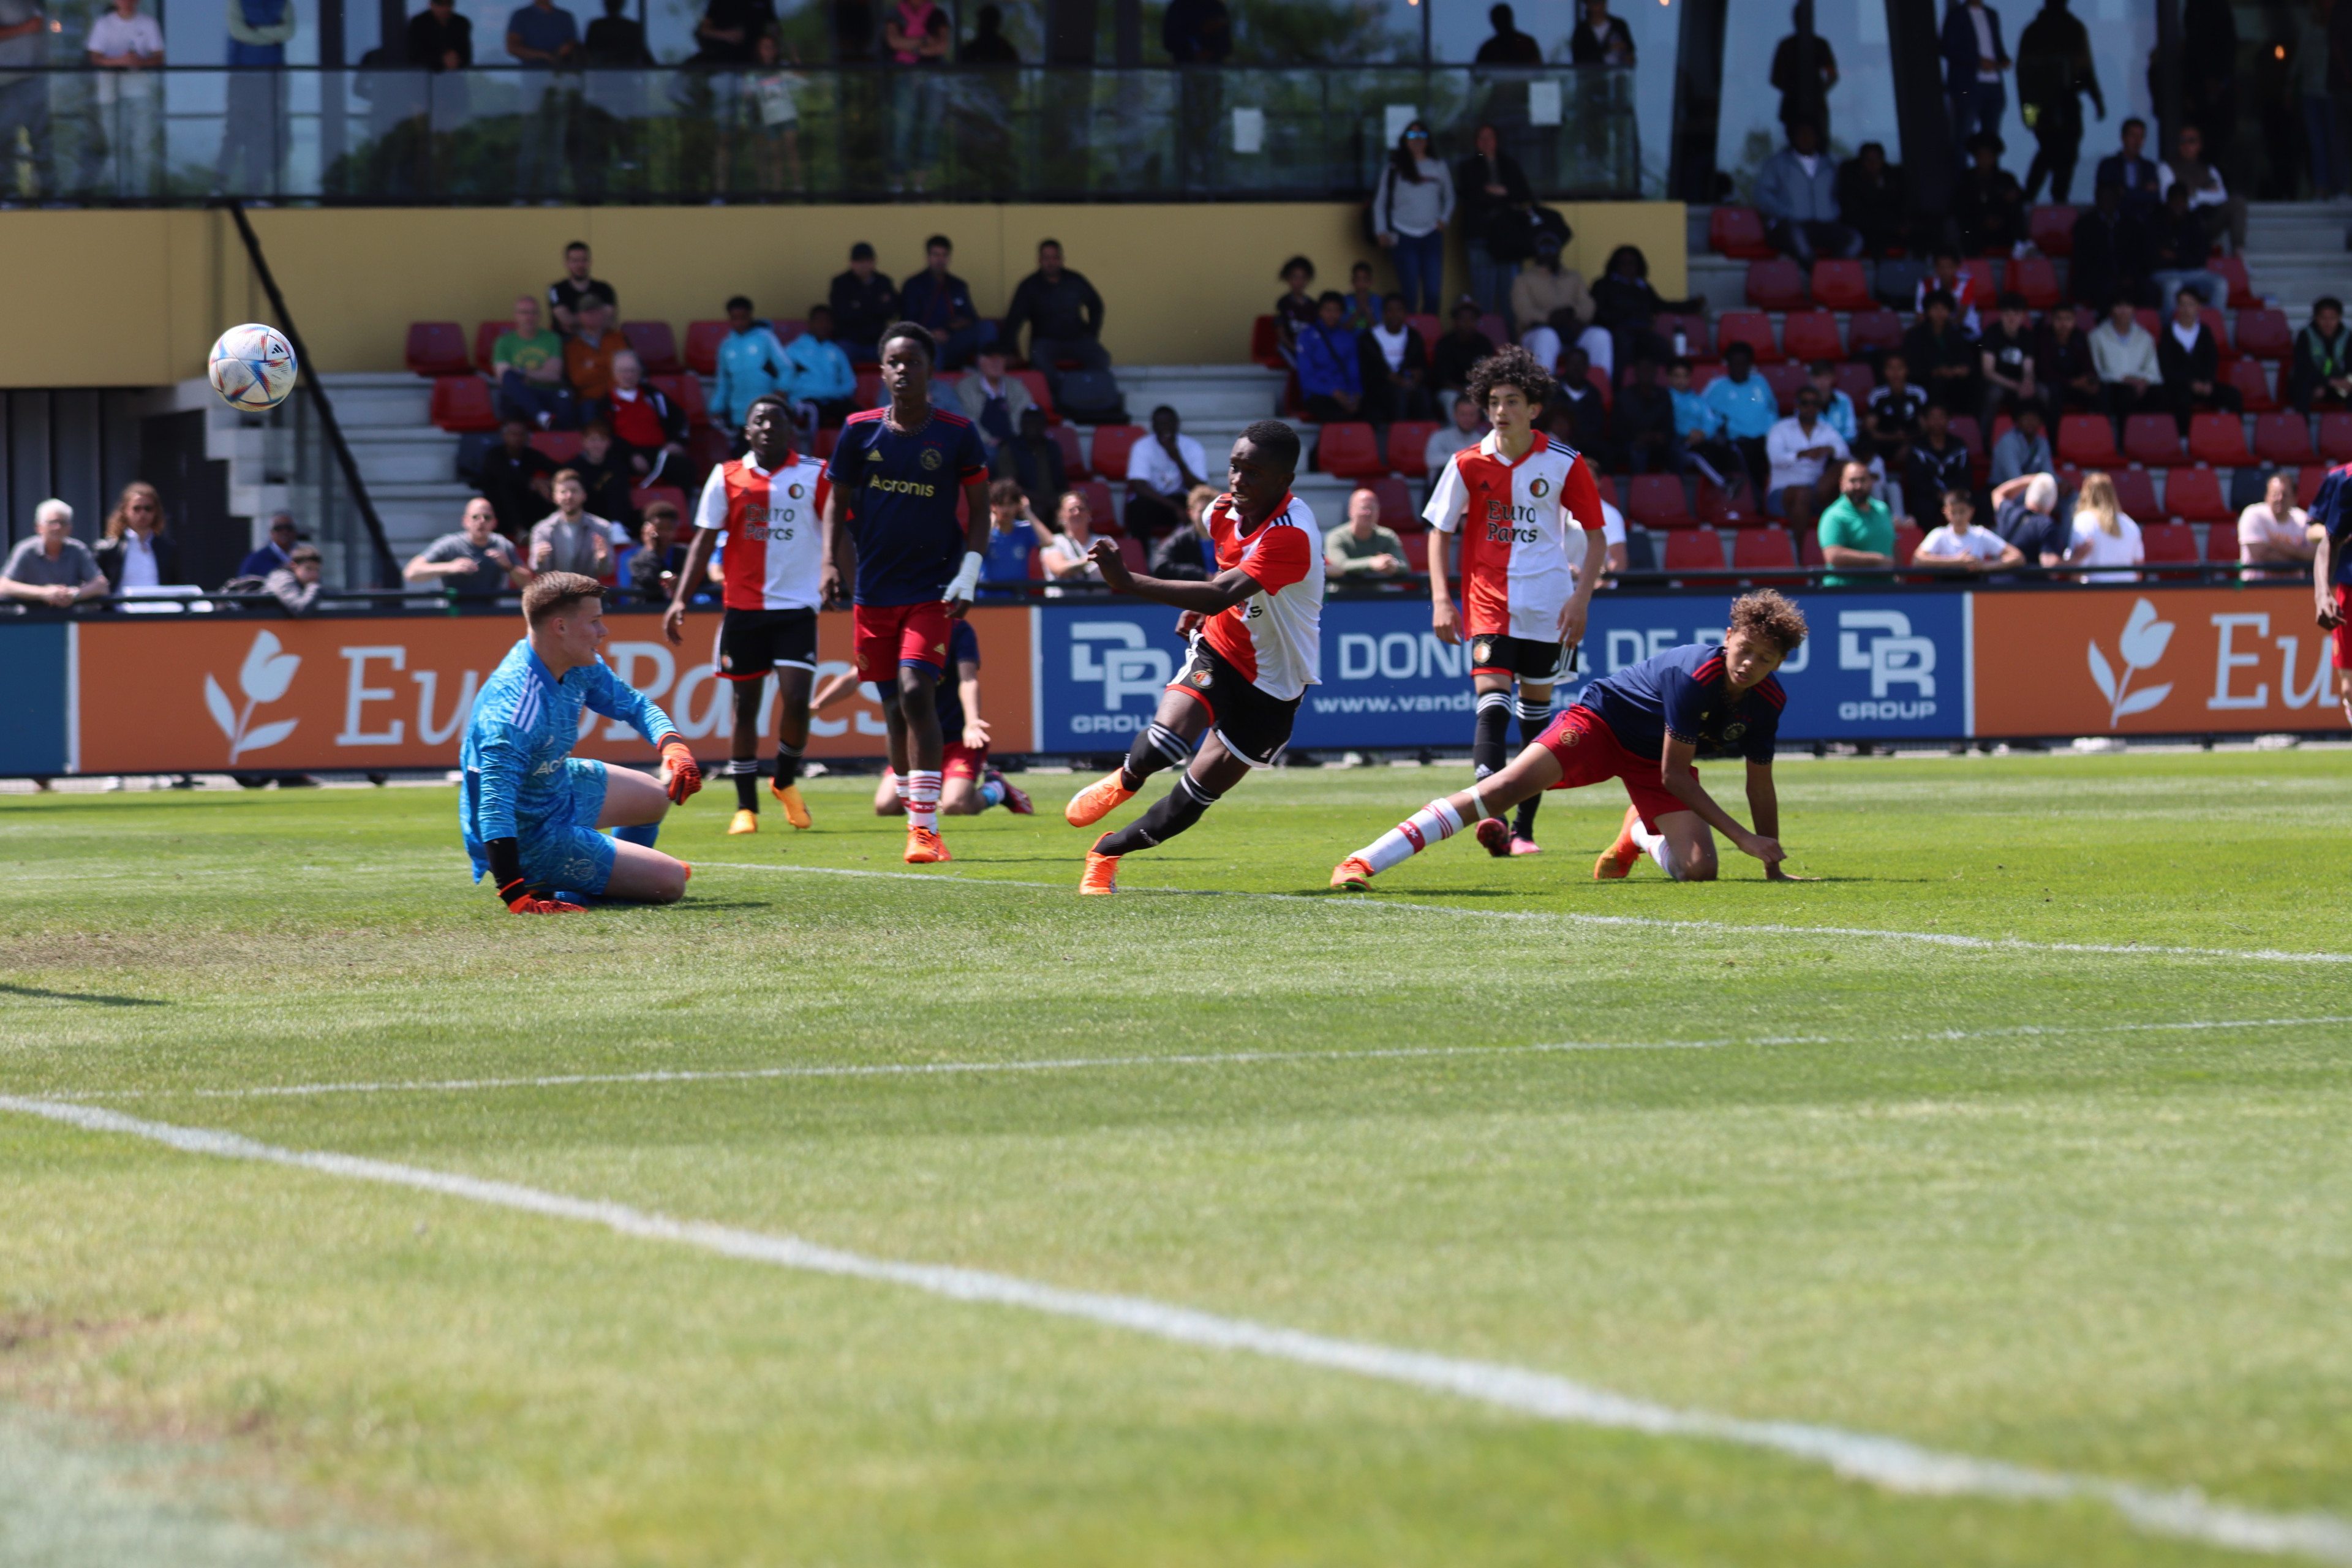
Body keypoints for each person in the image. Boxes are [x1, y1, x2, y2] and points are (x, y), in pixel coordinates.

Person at [1333, 592, 1807, 890]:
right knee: (1502, 790)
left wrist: (1771, 858)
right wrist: (1743, 837)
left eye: (1765, 659)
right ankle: (1362, 862)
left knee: (1700, 871)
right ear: (1728, 637)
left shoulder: (1769, 700)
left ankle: (1638, 833)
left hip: (1655, 755)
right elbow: (1675, 776)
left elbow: (1759, 785)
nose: (1749, 664)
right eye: (1744, 649)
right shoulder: (1695, 674)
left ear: (1779, 664)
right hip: (1601, 725)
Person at [1062, 423, 1323, 894]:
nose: (1238, 481)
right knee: (1163, 745)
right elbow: (1225, 572)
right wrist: (1201, 603)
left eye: (1254, 473)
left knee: (1190, 802)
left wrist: (1128, 582)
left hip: (1276, 689)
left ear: (1284, 482)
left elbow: (1221, 590)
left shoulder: (1292, 536)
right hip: (1222, 650)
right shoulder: (1222, 511)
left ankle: (1105, 853)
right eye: (1235, 467)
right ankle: (1127, 776)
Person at [1422, 345, 1607, 859]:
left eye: (1512, 400)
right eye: (1494, 401)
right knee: (1492, 706)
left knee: (1536, 721)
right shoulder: (1466, 464)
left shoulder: (1564, 462)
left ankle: (1522, 832)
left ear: (1534, 408)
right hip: (1489, 600)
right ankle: (1494, 813)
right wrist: (1441, 599)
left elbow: (1596, 538)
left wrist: (1581, 601)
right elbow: (1439, 532)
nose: (1501, 410)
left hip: (1550, 604)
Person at [818, 321, 992, 864]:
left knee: (917, 691)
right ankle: (915, 809)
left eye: (912, 361)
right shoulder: (858, 431)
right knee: (894, 710)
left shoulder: (957, 432)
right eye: (893, 361)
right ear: (882, 369)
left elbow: (983, 511)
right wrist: (829, 561)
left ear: (929, 370)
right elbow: (835, 502)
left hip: (932, 587)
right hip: (874, 591)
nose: (901, 370)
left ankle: (924, 829)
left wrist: (967, 574)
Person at [461, 571, 698, 914]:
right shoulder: (512, 710)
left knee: (655, 798)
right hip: (531, 834)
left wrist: (673, 746)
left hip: (556, 783)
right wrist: (514, 894)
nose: (605, 631)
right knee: (671, 883)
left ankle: (611, 874)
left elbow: (635, 704)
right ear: (560, 627)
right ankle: (558, 888)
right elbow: (495, 807)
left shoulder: (576, 663)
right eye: (596, 621)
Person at [655, 394, 828, 835]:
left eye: (777, 420)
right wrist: (681, 599)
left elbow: (839, 531)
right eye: (759, 421)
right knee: (745, 706)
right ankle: (745, 806)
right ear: (747, 431)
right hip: (743, 610)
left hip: (796, 607)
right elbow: (702, 541)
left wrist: (841, 574)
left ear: (791, 429)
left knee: (795, 698)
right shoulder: (726, 476)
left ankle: (785, 780)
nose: (768, 427)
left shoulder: (815, 473)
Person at [2014, 0, 2102, 203]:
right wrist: (2029, 113)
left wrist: (2095, 98)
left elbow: (2084, 68)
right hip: (2048, 105)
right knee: (2051, 152)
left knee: (2061, 153)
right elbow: (2024, 76)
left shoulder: (2068, 29)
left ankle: (2051, 199)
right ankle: (2034, 198)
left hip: (2064, 103)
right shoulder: (2038, 31)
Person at [1001, 239, 1110, 398]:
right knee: (1038, 356)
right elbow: (1014, 320)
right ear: (1039, 260)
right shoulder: (1029, 286)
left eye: (1055, 258)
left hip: (1077, 340)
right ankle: (1063, 394)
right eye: (1046, 258)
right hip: (1046, 342)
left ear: (1062, 260)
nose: (1051, 262)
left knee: (1102, 358)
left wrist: (1091, 333)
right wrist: (1008, 351)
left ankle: (1084, 391)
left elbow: (1097, 306)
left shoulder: (1075, 280)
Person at [1371, 121, 1453, 317]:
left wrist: (1445, 219)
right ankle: (1411, 339)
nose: (1417, 140)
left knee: (1433, 293)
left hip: (1432, 235)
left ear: (1428, 140)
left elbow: (1449, 197)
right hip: (1403, 236)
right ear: (1404, 140)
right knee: (1410, 294)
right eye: (1411, 136)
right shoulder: (1393, 168)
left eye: (1422, 136)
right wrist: (1381, 230)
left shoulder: (1438, 166)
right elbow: (1380, 202)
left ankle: (1429, 336)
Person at [216, 0, 296, 196]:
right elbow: (238, 32)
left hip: (271, 77)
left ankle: (256, 192)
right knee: (234, 133)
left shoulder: (283, 3)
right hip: (242, 77)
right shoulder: (237, 2)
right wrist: (271, 34)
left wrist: (255, 31)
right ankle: (217, 188)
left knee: (262, 136)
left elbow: (288, 32)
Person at [85, 0, 164, 198]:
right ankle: (119, 194)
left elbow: (159, 57)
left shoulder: (149, 23)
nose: (127, 2)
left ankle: (141, 195)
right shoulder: (103, 24)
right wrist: (120, 61)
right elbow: (94, 58)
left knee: (142, 145)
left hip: (140, 92)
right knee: (115, 145)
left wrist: (140, 62)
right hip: (108, 93)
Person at [1753, 119, 1860, 265]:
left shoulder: (1830, 164)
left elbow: (1838, 194)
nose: (1806, 138)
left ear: (1817, 138)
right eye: (1801, 134)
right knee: (1799, 241)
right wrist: (1783, 212)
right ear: (1793, 137)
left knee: (1855, 240)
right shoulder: (1777, 163)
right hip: (1791, 224)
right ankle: (1818, 276)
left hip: (1825, 223)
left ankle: (1832, 274)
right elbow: (1762, 193)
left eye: (1810, 134)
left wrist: (1834, 212)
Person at [1511, 230, 1610, 379]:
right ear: (1535, 252)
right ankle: (1544, 393)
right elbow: (1524, 314)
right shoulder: (1524, 279)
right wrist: (1551, 318)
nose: (1549, 252)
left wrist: (1572, 313)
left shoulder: (1574, 277)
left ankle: (1600, 390)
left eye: (1553, 248)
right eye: (1543, 248)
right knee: (1547, 336)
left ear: (1560, 251)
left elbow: (1589, 307)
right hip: (1536, 333)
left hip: (1571, 331)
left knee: (1600, 335)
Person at [507, 0, 580, 200]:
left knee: (556, 140)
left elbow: (574, 45)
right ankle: (522, 194)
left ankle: (552, 194)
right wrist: (544, 55)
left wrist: (566, 49)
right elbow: (512, 46)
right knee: (530, 138)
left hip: (560, 84)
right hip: (532, 85)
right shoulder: (522, 15)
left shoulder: (565, 17)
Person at [1588, 244, 1700, 374]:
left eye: (1633, 263)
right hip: (1616, 331)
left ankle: (1664, 388)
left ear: (1639, 266)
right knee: (1624, 346)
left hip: (1641, 332)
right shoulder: (1603, 285)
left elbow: (1662, 305)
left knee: (1661, 345)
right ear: (1615, 265)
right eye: (1623, 263)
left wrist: (1692, 305)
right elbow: (1598, 313)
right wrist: (1623, 319)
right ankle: (1618, 388)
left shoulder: (1643, 287)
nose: (1628, 267)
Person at [1457, 126, 1532, 316]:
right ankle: (1486, 340)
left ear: (1497, 140)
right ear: (1476, 142)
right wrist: (1505, 198)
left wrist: (1502, 191)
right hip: (1480, 235)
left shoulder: (1509, 164)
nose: (1486, 142)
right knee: (1484, 295)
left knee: (1511, 295)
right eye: (1481, 138)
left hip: (1509, 236)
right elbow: (1473, 196)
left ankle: (1511, 344)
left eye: (1490, 137)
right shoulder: (1470, 165)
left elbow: (1523, 194)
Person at [1763, 385, 1850, 532]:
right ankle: (1801, 553)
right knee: (1802, 494)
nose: (1810, 408)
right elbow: (1775, 459)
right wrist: (1801, 454)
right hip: (1782, 493)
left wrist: (1828, 450)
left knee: (1846, 466)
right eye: (1805, 403)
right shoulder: (1780, 428)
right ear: (1797, 405)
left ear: (1819, 407)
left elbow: (1844, 452)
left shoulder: (1827, 429)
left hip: (1816, 491)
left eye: (1815, 404)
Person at [407, 496, 532, 597]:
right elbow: (411, 573)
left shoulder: (503, 545)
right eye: (475, 517)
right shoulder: (449, 544)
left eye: (487, 518)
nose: (481, 521)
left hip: (491, 616)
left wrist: (509, 566)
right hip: (453, 615)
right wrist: (450, 567)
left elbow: (526, 583)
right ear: (465, 521)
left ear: (495, 523)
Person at [2157, 286, 2241, 435]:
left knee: (2234, 396)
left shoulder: (2205, 331)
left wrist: (2208, 381)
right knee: (2181, 400)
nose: (2186, 309)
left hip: (2203, 384)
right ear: (2177, 307)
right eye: (2182, 304)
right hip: (2179, 386)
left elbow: (2212, 359)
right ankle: (2184, 440)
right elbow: (2166, 367)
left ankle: (2235, 435)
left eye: (2191, 304)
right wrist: (2190, 383)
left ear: (2198, 307)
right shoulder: (2167, 332)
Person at [1700, 342, 1779, 494]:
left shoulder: (1760, 381)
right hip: (1737, 441)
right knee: (1750, 461)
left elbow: (1772, 409)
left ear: (1750, 365)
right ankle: (1758, 503)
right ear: (1728, 364)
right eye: (1735, 364)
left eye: (1744, 364)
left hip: (1765, 439)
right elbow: (1704, 414)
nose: (1739, 368)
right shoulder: (1716, 386)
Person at [2158, 123, 2247, 255]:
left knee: (2237, 202)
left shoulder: (2209, 169)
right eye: (2182, 141)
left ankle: (2238, 254)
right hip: (2182, 224)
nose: (2187, 145)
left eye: (2192, 141)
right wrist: (2206, 192)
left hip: (2207, 221)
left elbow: (2221, 196)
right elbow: (2167, 197)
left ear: (2200, 145)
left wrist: (2195, 194)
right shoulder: (2166, 167)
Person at [898, 234, 984, 370]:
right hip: (925, 342)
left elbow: (972, 318)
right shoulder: (914, 285)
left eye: (944, 255)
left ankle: (983, 383)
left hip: (954, 340)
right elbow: (907, 323)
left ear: (949, 258)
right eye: (936, 255)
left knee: (987, 328)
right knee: (932, 346)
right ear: (928, 257)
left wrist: (960, 323)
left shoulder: (958, 285)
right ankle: (934, 390)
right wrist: (931, 334)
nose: (940, 260)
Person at [601, 350, 688, 484]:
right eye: (623, 371)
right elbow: (605, 435)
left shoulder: (654, 395)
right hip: (625, 455)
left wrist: (677, 442)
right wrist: (631, 455)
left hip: (659, 453)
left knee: (685, 468)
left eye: (633, 371)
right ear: (614, 373)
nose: (628, 375)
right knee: (613, 473)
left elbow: (679, 417)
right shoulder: (605, 403)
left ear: (640, 372)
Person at [714, 295, 794, 439]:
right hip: (739, 414)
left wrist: (781, 390)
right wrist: (717, 407)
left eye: (743, 317)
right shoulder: (726, 346)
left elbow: (786, 367)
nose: (739, 322)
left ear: (750, 316)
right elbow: (723, 381)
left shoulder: (766, 338)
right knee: (743, 458)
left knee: (768, 455)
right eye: (734, 318)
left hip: (767, 411)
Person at [494, 293, 578, 430]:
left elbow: (553, 376)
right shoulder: (504, 342)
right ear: (516, 315)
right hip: (517, 395)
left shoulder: (552, 339)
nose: (529, 317)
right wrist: (538, 373)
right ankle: (542, 417)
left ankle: (553, 433)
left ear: (539, 316)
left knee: (565, 402)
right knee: (509, 380)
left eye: (533, 313)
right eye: (524, 313)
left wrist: (521, 372)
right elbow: (502, 377)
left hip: (546, 393)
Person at [1126, 404, 1209, 540]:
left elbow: (1199, 488)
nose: (1165, 428)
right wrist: (1175, 507)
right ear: (1153, 426)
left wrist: (1178, 459)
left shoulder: (1192, 447)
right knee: (1137, 508)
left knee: (1200, 507)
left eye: (1169, 423)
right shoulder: (1141, 446)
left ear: (1177, 424)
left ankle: (1193, 555)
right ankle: (1141, 557)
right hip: (1154, 500)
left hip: (1181, 498)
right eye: (1160, 424)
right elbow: (1139, 487)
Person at [2309, 462, 2352, 723]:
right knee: (2349, 688)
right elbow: (2329, 539)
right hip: (2350, 584)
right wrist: (2322, 594)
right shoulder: (2346, 479)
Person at [952, 343, 1035, 478]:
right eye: (991, 358)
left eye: (1000, 358)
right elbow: (965, 420)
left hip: (1012, 440)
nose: (996, 363)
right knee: (993, 457)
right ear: (980, 361)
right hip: (982, 443)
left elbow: (1027, 413)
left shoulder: (1016, 386)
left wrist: (1017, 440)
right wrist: (988, 439)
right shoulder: (965, 387)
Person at [1, 499, 107, 606]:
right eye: (52, 522)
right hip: (30, 619)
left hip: (69, 619)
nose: (57, 527)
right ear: (39, 527)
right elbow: (4, 586)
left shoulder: (78, 550)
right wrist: (43, 593)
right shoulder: (26, 550)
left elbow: (101, 585)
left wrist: (74, 594)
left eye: (63, 523)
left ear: (70, 529)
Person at [0, 0, 53, 203]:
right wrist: (26, 28)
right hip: (9, 80)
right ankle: (8, 196)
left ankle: (50, 195)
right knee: (5, 141)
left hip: (39, 76)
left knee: (43, 139)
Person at [2068, 183, 2149, 314]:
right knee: (2107, 288)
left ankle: (2142, 329)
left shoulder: (2131, 224)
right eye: (2103, 198)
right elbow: (2082, 261)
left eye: (2110, 198)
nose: (2107, 202)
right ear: (2097, 200)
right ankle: (2107, 328)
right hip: (2096, 279)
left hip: (2127, 277)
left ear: (2118, 200)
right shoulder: (2084, 225)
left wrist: (2130, 275)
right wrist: (2111, 278)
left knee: (2147, 288)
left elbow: (2138, 255)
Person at [2146, 183, 2225, 313]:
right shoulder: (2155, 221)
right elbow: (2153, 259)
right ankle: (2170, 330)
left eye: (2182, 201)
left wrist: (2176, 257)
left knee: (2220, 284)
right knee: (2173, 286)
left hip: (2192, 272)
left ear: (2187, 202)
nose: (2179, 205)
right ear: (2168, 201)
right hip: (2165, 273)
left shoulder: (2194, 221)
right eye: (2175, 201)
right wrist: (2183, 258)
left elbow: (2201, 258)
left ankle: (2215, 328)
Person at [1815, 461, 1896, 586]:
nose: (1858, 486)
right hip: (1847, 593)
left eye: (1863, 480)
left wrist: (1900, 574)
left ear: (1871, 482)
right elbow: (1833, 556)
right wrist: (1876, 560)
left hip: (1886, 589)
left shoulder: (1882, 510)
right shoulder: (1834, 516)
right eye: (1853, 481)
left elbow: (1892, 544)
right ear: (1842, 484)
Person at [1359, 293, 1434, 424]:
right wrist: (1390, 377)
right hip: (1381, 390)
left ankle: (1426, 438)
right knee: (1398, 395)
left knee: (1423, 395)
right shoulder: (1370, 338)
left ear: (1405, 313)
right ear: (1383, 313)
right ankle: (1400, 438)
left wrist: (1419, 374)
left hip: (1409, 385)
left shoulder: (1413, 336)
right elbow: (1367, 373)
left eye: (1399, 310)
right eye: (1390, 310)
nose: (1394, 315)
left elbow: (1422, 366)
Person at [1944, 0, 2010, 149]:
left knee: (1992, 140)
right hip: (1968, 84)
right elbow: (1948, 48)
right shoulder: (1957, 16)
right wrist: (1977, 62)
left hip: (1993, 82)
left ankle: (1989, 172)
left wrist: (2002, 60)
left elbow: (1995, 44)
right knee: (1964, 136)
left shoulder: (1991, 14)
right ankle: (1961, 171)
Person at [91, 481, 179, 590]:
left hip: (160, 606)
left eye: (148, 508)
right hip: (120, 606)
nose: (142, 514)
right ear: (125, 511)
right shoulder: (107, 549)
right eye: (136, 508)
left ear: (156, 512)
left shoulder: (167, 548)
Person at [478, 419, 557, 538]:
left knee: (552, 492)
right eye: (513, 434)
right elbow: (505, 474)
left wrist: (551, 483)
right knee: (504, 487)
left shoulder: (531, 455)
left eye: (521, 434)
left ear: (527, 437)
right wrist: (533, 482)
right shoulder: (493, 455)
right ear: (504, 436)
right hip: (499, 510)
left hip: (526, 507)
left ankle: (551, 532)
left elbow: (558, 470)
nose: (517, 438)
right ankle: (519, 531)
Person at [530, 470, 618, 579]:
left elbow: (607, 571)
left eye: (574, 491)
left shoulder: (601, 527)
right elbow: (537, 569)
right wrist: (540, 560)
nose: (569, 496)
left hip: (587, 593)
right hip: (554, 594)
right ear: (555, 497)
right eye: (563, 492)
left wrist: (603, 560)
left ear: (584, 496)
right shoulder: (542, 530)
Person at [1770, 4, 1838, 142]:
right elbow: (1776, 78)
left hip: (1816, 107)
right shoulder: (1786, 46)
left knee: (1819, 144)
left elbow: (1832, 75)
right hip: (1793, 106)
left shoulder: (1820, 45)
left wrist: (1818, 92)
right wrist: (1794, 90)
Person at [1902, 290, 1978, 415]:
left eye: (1944, 309)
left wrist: (1961, 370)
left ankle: (1968, 424)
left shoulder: (1957, 335)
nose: (1940, 313)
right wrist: (1936, 371)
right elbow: (1912, 365)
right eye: (1935, 308)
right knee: (1936, 385)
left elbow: (1967, 361)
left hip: (1954, 379)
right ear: (1928, 311)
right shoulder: (1914, 336)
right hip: (1926, 381)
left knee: (1973, 386)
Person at [781, 304, 857, 429]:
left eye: (827, 321)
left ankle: (854, 449)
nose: (824, 325)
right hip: (805, 401)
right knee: (813, 413)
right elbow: (784, 381)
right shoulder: (794, 350)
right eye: (819, 321)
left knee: (857, 416)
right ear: (810, 323)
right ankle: (811, 449)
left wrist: (834, 393)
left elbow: (849, 382)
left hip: (833, 400)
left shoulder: (836, 351)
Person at [1913, 486, 2022, 570]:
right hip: (1945, 593)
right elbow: (1917, 560)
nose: (1958, 517)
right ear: (1945, 512)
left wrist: (1985, 566)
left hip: (1976, 591)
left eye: (1962, 512)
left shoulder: (1980, 534)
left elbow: (2017, 557)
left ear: (1972, 511)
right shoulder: (1939, 534)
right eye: (1953, 512)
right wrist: (1956, 561)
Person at [1294, 292, 1363, 423]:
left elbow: (1354, 373)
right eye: (1327, 310)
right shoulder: (1306, 336)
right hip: (1319, 395)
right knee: (1338, 416)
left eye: (1336, 311)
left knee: (1371, 415)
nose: (1332, 315)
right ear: (1320, 312)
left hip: (1346, 394)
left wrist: (1356, 396)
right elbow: (1307, 379)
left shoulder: (1348, 338)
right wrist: (1334, 392)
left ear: (1342, 313)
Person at [2295, 0, 2340, 200]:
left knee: (2335, 141)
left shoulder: (2341, 26)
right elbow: (2300, 55)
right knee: (2316, 143)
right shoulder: (2310, 27)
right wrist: (2290, 83)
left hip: (2332, 93)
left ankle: (2338, 188)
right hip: (2310, 92)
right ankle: (2320, 187)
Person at [1835, 141, 1912, 258]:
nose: (1873, 164)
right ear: (1861, 162)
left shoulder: (1893, 178)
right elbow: (1856, 215)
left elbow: (1902, 205)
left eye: (1877, 159)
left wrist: (1902, 224)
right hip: (1867, 231)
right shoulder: (1852, 182)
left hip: (1892, 229)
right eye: (1868, 160)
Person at [1953, 132, 2026, 254]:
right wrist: (1982, 220)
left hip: (2003, 228)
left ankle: (2021, 250)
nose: (1985, 160)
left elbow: (2020, 199)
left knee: (2016, 214)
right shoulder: (1966, 179)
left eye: (1989, 156)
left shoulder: (2006, 179)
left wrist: (2014, 197)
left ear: (1995, 158)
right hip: (1975, 230)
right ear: (1975, 157)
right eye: (1981, 156)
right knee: (1965, 230)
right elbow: (1959, 208)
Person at [2066, 470, 2143, 581]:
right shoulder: (2130, 524)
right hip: (2126, 593)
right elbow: (2138, 571)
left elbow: (2077, 572)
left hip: (2094, 594)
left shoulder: (2083, 521)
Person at [1977, 292, 2039, 429]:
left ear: (2023, 316)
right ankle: (1985, 435)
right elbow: (1988, 371)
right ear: (2001, 315)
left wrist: (2027, 382)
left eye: (2016, 314)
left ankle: (2043, 436)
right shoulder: (1991, 333)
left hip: (2019, 382)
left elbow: (2028, 368)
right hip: (1998, 383)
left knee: (2044, 392)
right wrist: (2016, 386)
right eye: (2007, 314)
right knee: (1994, 394)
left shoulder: (2027, 336)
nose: (2012, 319)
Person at [827, 242, 897, 363]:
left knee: (895, 355)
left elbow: (892, 311)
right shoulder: (841, 283)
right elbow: (841, 314)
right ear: (852, 263)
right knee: (839, 356)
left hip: (877, 341)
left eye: (867, 261)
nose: (863, 265)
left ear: (874, 262)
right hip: (850, 341)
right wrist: (876, 305)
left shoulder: (884, 282)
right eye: (859, 261)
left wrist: (859, 305)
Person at [2239, 471, 2318, 578]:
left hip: (2294, 590)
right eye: (2275, 495)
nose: (2280, 499)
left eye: (2285, 495)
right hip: (2256, 589)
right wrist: (2299, 557)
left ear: (2295, 498)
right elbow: (2259, 554)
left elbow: (2315, 554)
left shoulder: (2302, 518)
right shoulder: (2253, 515)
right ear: (2267, 497)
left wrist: (2278, 545)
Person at [1613, 355, 1679, 476]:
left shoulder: (1664, 395)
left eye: (1650, 370)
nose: (1646, 373)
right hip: (1632, 442)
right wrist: (1638, 438)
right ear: (1636, 373)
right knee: (1638, 451)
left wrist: (1659, 436)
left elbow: (1669, 426)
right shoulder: (1623, 397)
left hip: (1657, 443)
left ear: (1655, 372)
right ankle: (1637, 491)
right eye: (1643, 370)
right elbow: (1617, 431)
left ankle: (1679, 490)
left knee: (1677, 450)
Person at [1325, 486, 1408, 583]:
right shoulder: (1337, 536)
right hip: (1342, 595)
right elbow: (1338, 566)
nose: (1368, 513)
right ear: (1351, 511)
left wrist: (1392, 566)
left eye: (1373, 508)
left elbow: (1405, 566)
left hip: (1377, 594)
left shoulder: (1387, 536)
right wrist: (1372, 563)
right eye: (1364, 508)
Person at [1989, 470, 2073, 565]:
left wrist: (2031, 479)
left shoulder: (2009, 513)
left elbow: (1999, 493)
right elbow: (2050, 565)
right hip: (2028, 579)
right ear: (2053, 502)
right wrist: (2077, 558)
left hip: (1997, 578)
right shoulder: (2046, 524)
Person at [978, 478, 1042, 598]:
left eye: (1010, 504)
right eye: (1001, 505)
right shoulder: (985, 532)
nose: (1005, 510)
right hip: (988, 599)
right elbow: (977, 552)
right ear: (993, 506)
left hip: (1018, 598)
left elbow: (1048, 542)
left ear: (1018, 506)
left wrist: (1028, 513)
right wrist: (991, 522)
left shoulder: (1025, 530)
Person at [1905, 401, 1973, 514]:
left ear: (1948, 420)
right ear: (1925, 421)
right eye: (1932, 417)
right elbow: (1916, 481)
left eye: (1941, 417)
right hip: (1929, 497)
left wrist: (1953, 495)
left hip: (1956, 497)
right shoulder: (1918, 448)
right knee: (1923, 506)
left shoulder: (1959, 446)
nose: (1937, 422)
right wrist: (1937, 494)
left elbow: (1965, 477)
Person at [2289, 295, 2352, 412]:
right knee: (2302, 387)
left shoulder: (2348, 336)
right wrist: (2324, 382)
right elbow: (2302, 368)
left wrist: (2347, 382)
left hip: (2337, 386)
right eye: (2323, 318)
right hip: (2312, 384)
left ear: (2339, 318)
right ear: (2316, 318)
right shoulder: (2305, 336)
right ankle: (2303, 428)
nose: (2328, 323)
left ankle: (2347, 428)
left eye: (2332, 318)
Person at [2093, 117, 2163, 220]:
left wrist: (2125, 193)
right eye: (2133, 136)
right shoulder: (2109, 165)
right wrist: (2141, 194)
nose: (2137, 141)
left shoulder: (2149, 167)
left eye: (2141, 137)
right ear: (2123, 137)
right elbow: (2108, 196)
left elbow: (2154, 198)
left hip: (2142, 223)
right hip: (2116, 223)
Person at [2037, 300, 2101, 412]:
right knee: (2053, 391)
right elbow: (2045, 372)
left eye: (2068, 319)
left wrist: (2089, 380)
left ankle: (2099, 427)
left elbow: (2088, 365)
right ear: (2052, 320)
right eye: (2059, 319)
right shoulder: (2043, 338)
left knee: (2101, 389)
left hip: (2077, 386)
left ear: (2074, 321)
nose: (2063, 324)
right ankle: (2053, 429)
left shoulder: (2080, 337)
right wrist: (2071, 382)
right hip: (2055, 386)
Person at [1039, 488, 1105, 597]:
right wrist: (1092, 558)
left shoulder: (1104, 542)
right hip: (1062, 609)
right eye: (1072, 509)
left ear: (1089, 513)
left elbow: (1120, 573)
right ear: (1061, 515)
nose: (1077, 513)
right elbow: (1060, 570)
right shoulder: (1053, 542)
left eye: (1081, 509)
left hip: (1101, 608)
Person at [571, 421, 637, 528]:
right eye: (593, 440)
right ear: (584, 442)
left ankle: (617, 526)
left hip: (612, 521)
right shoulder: (573, 468)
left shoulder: (617, 466)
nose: (597, 445)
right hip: (583, 520)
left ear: (609, 443)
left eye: (602, 440)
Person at [564, 295, 624, 407]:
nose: (592, 315)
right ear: (579, 316)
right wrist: (611, 366)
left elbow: (626, 368)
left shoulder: (618, 337)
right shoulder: (572, 345)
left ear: (602, 313)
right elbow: (578, 379)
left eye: (596, 311)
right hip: (590, 400)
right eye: (587, 312)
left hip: (620, 396)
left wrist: (595, 363)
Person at [627, 499, 693, 602]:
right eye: (660, 529)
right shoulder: (638, 559)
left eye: (669, 529)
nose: (665, 534)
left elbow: (702, 579)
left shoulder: (685, 553)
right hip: (648, 612)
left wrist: (680, 580)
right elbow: (648, 582)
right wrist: (651, 550)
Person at [1430, 301, 1496, 395]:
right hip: (1452, 390)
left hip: (1477, 391)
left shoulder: (1484, 343)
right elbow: (1442, 380)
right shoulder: (1444, 344)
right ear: (1455, 321)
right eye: (1462, 319)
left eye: (1471, 319)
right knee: (1451, 398)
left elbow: (1490, 375)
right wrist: (1465, 392)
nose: (1467, 323)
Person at [547, 242, 614, 333]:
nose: (580, 265)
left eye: (584, 260)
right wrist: (594, 320)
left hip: (600, 343)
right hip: (565, 343)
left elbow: (608, 321)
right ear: (567, 263)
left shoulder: (605, 289)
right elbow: (567, 321)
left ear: (590, 262)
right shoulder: (555, 290)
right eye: (575, 261)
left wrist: (575, 321)